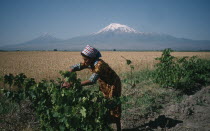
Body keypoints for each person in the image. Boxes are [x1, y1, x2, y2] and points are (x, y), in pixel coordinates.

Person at [62, 45, 122, 131]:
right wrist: (69, 72)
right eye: (83, 59)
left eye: (86, 59)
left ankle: (118, 128)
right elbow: (76, 66)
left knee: (113, 105)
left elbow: (91, 80)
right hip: (104, 83)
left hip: (113, 84)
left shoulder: (99, 65)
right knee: (103, 103)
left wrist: (72, 85)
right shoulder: (89, 62)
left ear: (92, 58)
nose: (84, 61)